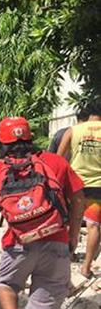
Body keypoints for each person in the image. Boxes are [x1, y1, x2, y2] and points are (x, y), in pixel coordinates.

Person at [0, 116, 84, 309]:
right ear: (30, 137)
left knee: (6, 284)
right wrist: (73, 235)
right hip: (56, 239)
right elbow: (78, 196)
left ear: (1, 141)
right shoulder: (56, 162)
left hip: (18, 241)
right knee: (40, 307)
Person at [57, 102, 101, 278]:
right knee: (94, 226)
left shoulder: (74, 130)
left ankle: (69, 257)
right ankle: (86, 267)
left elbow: (57, 159)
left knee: (73, 223)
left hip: (75, 185)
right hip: (98, 186)